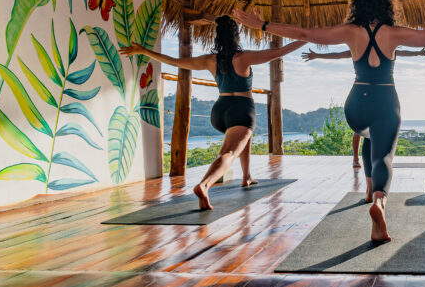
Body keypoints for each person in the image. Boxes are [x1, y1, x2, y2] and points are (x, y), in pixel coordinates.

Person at [232, 0, 425, 241]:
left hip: (356, 107)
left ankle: (367, 190)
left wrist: (263, 25)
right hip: (385, 102)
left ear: (359, 2)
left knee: (367, 137)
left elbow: (305, 33)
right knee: (383, 157)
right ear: (387, 2)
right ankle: (379, 201)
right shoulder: (394, 33)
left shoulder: (349, 32)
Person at [120, 15, 306, 211]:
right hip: (241, 108)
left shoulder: (210, 60)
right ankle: (204, 185)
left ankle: (247, 176)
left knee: (243, 137)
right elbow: (280, 51)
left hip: (220, 110)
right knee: (230, 152)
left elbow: (176, 62)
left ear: (217, 37)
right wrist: (308, 38)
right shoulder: (244, 57)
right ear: (237, 36)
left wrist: (143, 50)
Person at [301, 47, 425, 168]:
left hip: (380, 94)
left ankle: (379, 161)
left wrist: (418, 53)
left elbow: (402, 52)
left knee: (379, 129)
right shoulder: (360, 49)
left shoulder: (386, 49)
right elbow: (339, 55)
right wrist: (317, 55)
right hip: (363, 92)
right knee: (358, 131)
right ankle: (356, 159)